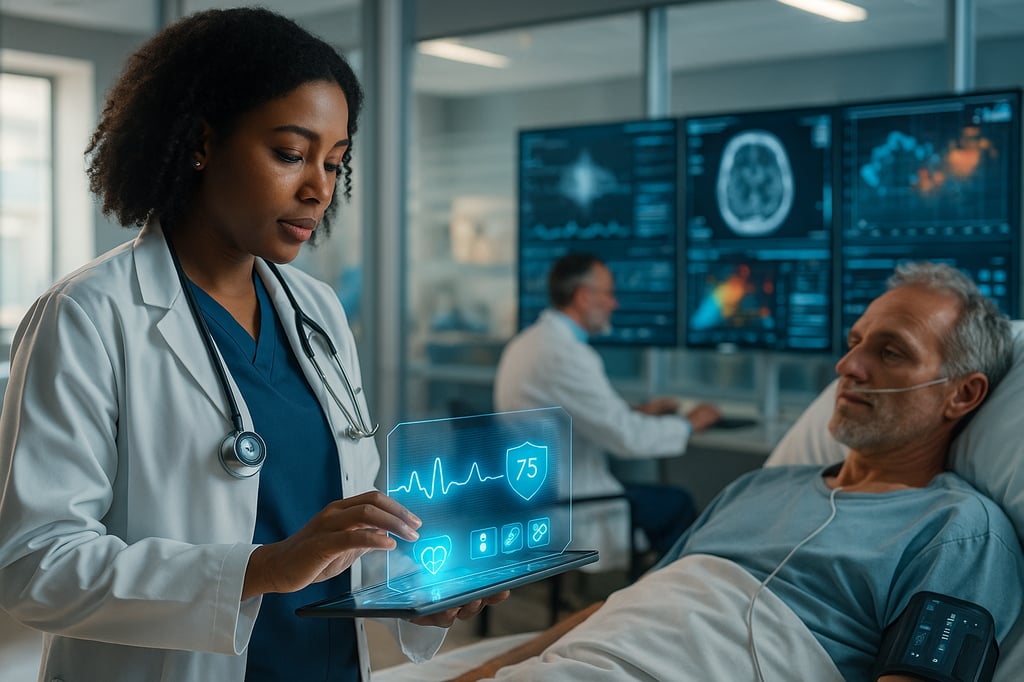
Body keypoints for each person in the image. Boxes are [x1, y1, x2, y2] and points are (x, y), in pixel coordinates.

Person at [0, 8, 503, 681]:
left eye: (335, 163)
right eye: (291, 153)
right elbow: (35, 563)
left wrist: (419, 591)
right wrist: (264, 568)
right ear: (202, 142)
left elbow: (336, 517)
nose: (319, 188)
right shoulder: (89, 314)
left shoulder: (316, 311)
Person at [456, 262, 1024, 680]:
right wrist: (483, 672)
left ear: (962, 394)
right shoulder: (759, 486)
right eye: (854, 343)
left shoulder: (957, 530)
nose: (847, 366)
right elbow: (623, 605)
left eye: (891, 352)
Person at [494, 252, 721, 571]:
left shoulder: (529, 343)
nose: (614, 304)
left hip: (531, 499)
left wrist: (639, 412)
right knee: (677, 503)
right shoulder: (563, 354)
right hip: (569, 506)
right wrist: (688, 424)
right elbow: (626, 439)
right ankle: (660, 607)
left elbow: (576, 412)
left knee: (660, 498)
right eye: (609, 294)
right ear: (584, 297)